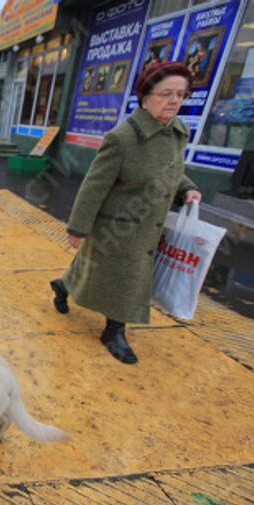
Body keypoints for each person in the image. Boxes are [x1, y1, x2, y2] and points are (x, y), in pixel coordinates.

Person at [50, 61, 202, 364]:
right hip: (118, 226)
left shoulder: (177, 132)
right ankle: (113, 332)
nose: (174, 101)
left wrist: (186, 188)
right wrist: (78, 228)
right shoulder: (122, 139)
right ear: (146, 96)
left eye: (181, 95)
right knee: (124, 280)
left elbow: (172, 170)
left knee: (99, 273)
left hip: (151, 223)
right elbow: (94, 186)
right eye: (166, 93)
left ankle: (63, 285)